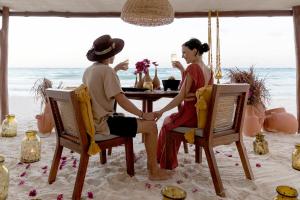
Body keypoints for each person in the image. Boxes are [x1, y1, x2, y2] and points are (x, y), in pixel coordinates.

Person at [82, 34, 171, 180]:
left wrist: (114, 70)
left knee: (123, 117)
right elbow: (121, 99)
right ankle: (153, 170)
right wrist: (143, 114)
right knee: (151, 126)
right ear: (111, 54)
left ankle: (136, 157)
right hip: (104, 124)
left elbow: (100, 92)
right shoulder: (107, 71)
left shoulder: (89, 70)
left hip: (92, 122)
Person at [155, 38, 213, 169]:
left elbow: (181, 95)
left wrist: (161, 110)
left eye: (185, 52)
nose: (182, 56)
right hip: (202, 117)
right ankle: (162, 158)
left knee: (167, 123)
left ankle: (164, 161)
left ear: (195, 51)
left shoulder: (192, 67)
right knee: (169, 121)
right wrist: (182, 71)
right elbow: (199, 91)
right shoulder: (209, 70)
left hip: (191, 115)